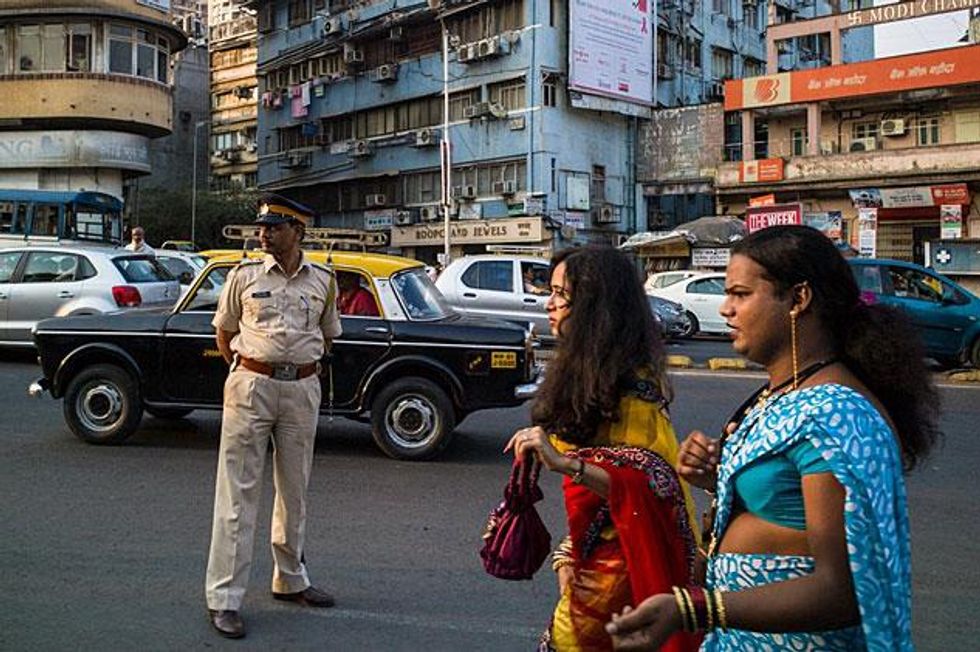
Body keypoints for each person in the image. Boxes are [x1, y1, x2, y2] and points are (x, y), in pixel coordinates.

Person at [606, 225, 940, 651]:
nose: (726, 309)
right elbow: (784, 502)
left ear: (798, 299)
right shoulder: (783, 394)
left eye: (741, 294)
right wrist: (717, 480)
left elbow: (842, 590)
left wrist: (695, 609)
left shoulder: (835, 414)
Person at [506, 246, 701, 652]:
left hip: (627, 559)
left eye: (562, 295)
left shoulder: (633, 386)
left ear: (594, 307)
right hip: (596, 546)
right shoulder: (586, 369)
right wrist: (571, 548)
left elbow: (652, 482)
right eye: (551, 291)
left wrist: (564, 463)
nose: (550, 304)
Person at [204, 194, 342, 639]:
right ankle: (224, 598)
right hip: (251, 385)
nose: (263, 233)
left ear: (298, 232)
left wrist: (298, 369)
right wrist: (249, 369)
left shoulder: (322, 279)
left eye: (275, 226)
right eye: (261, 226)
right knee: (237, 495)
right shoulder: (243, 276)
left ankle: (290, 579)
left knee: (295, 490)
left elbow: (328, 334)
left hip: (301, 388)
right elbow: (225, 333)